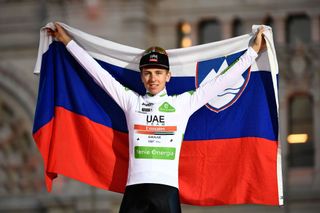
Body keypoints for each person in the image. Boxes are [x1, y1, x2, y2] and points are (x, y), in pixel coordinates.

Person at [47, 23, 266, 213]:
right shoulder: (131, 101)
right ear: (141, 77)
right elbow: (97, 73)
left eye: (158, 73)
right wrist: (67, 41)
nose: (153, 78)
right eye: (148, 73)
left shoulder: (182, 103)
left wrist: (253, 52)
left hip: (167, 191)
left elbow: (222, 81)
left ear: (168, 76)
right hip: (135, 190)